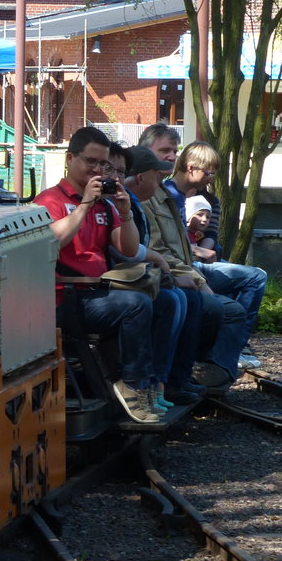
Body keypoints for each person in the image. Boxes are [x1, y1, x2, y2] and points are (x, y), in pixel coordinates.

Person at [34, 126, 168, 423]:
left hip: (96, 294)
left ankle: (145, 382)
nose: (98, 170)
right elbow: (50, 245)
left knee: (164, 301)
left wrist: (125, 211)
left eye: (104, 165)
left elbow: (129, 249)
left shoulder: (105, 204)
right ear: (71, 159)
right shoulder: (49, 201)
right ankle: (132, 384)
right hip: (63, 300)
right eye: (90, 162)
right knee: (135, 305)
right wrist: (83, 205)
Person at [138, 124, 268, 374]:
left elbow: (207, 237)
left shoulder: (186, 196)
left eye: (174, 151)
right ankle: (205, 368)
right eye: (165, 150)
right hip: (170, 273)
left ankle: (220, 364)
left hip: (186, 267)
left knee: (252, 280)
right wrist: (199, 278)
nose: (172, 156)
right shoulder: (155, 195)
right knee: (223, 306)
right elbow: (160, 249)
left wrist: (202, 254)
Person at [115, 145, 206, 406]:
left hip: (147, 273)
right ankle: (156, 383)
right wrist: (168, 271)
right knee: (173, 299)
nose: (161, 183)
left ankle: (169, 381)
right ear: (142, 177)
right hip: (127, 278)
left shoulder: (136, 205)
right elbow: (133, 251)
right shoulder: (128, 205)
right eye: (158, 176)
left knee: (184, 297)